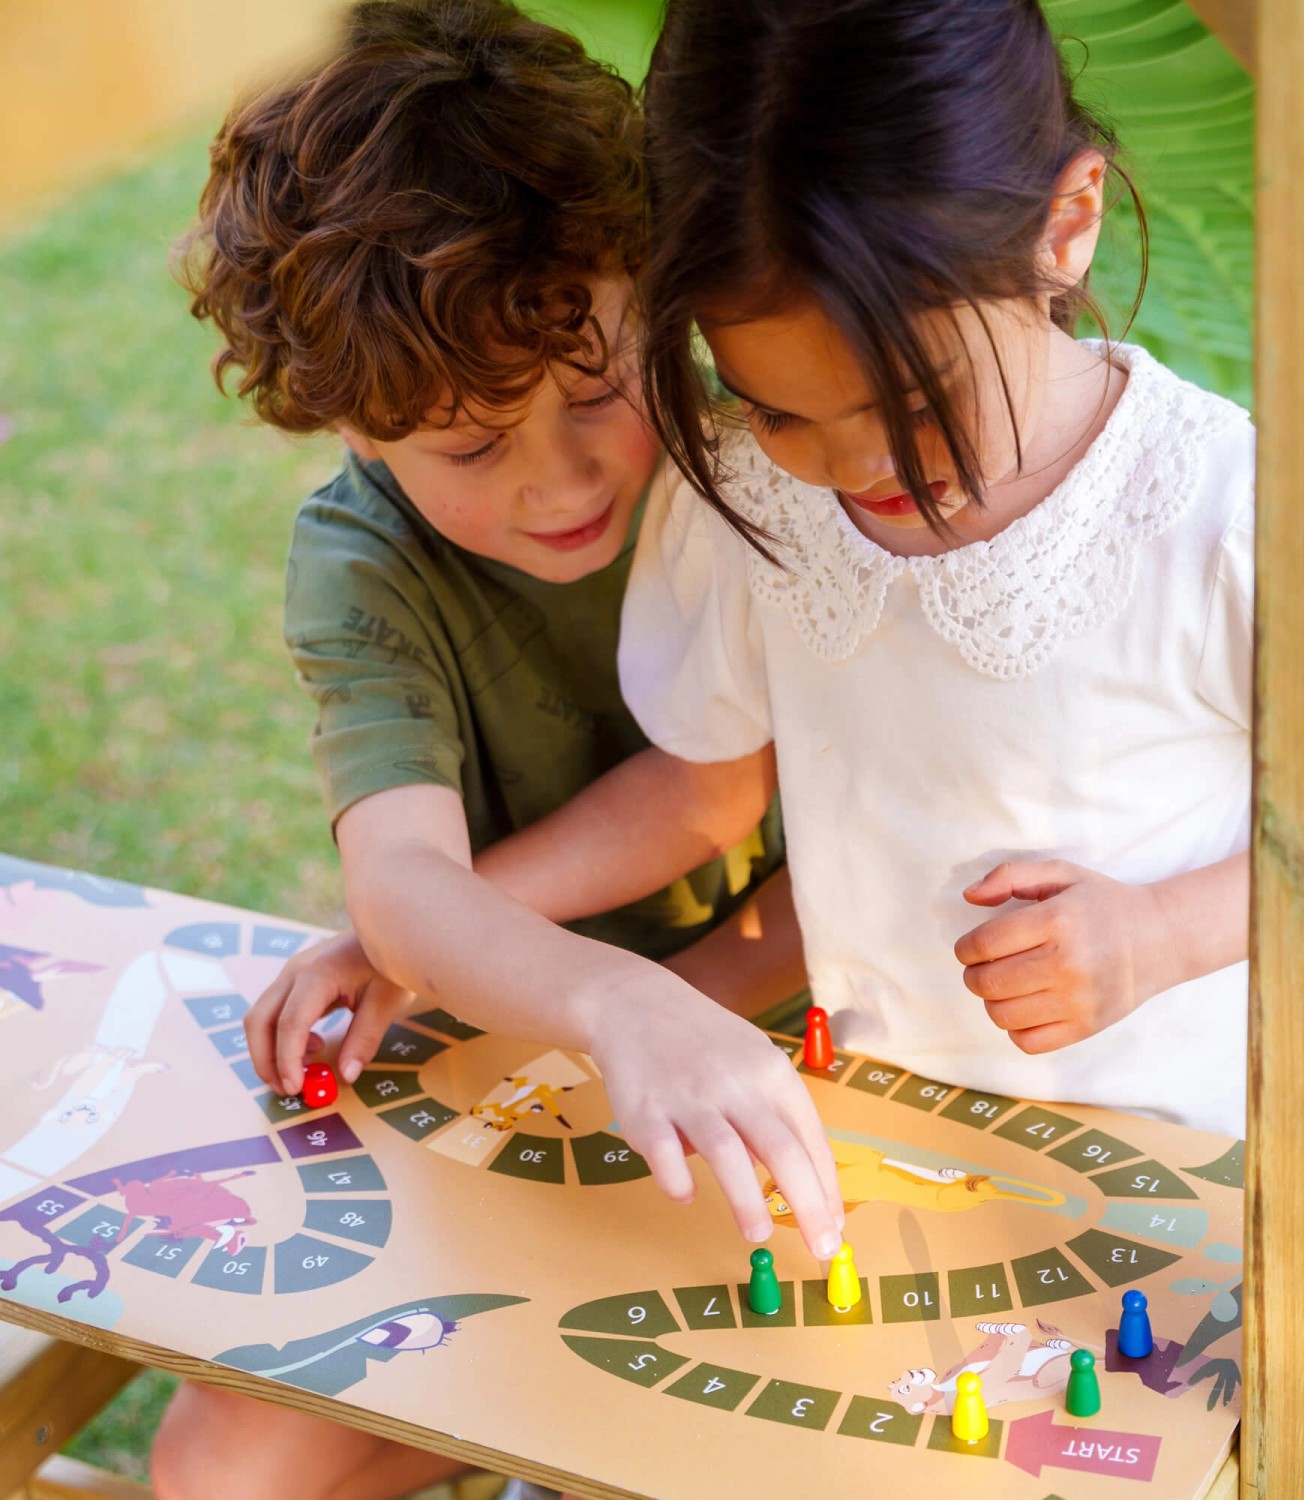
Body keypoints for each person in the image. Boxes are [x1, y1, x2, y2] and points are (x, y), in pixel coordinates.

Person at [499, 0, 1304, 1140]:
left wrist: (1162, 932)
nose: (855, 465)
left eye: (915, 404)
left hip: (1184, 1165)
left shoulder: (1225, 512)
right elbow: (699, 789)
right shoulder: (756, 493)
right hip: (887, 1131)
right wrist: (445, 929)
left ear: (1066, 225)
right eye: (778, 408)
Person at [152, 4, 843, 1498]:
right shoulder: (363, 563)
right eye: (470, 447)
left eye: (599, 389)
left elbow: (731, 787)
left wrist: (612, 999)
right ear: (346, 428)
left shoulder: (766, 454)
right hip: (538, 1061)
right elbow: (404, 878)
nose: (561, 478)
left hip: (810, 1056)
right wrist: (501, 975)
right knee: (218, 1465)